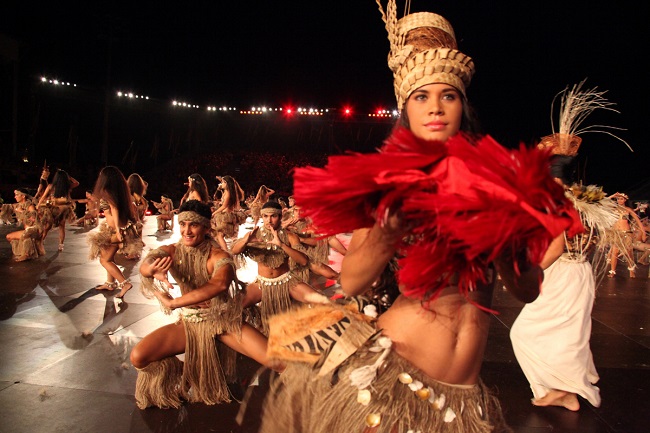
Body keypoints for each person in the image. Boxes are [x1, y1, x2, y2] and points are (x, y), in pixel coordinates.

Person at [253, 3, 581, 432]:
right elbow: (352, 279)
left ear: (462, 105)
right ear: (406, 109)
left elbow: (529, 290)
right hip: (397, 380)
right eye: (421, 97)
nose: (436, 108)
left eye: (448, 96)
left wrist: (501, 246)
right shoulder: (387, 182)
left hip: (460, 397)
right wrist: (390, 228)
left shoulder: (494, 183)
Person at [511, 82, 629, 412]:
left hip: (562, 275)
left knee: (524, 332)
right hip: (579, 274)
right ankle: (565, 392)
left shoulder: (556, 201)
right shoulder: (579, 199)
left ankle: (562, 388)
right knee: (566, 335)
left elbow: (556, 245)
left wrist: (530, 271)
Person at [130, 200, 279, 409]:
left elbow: (219, 284)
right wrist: (151, 270)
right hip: (190, 322)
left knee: (278, 362)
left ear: (206, 228)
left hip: (222, 321)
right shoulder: (171, 250)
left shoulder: (219, 256)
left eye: (193, 225)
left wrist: (174, 302)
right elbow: (147, 264)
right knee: (139, 357)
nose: (187, 231)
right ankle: (190, 373)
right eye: (183, 224)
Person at [230, 201, 330, 334]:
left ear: (280, 216)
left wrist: (282, 245)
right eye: (265, 216)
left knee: (323, 302)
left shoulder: (290, 236)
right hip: (262, 284)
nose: (269, 220)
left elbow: (303, 261)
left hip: (287, 281)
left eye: (273, 216)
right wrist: (246, 241)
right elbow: (234, 251)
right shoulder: (255, 234)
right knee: (232, 309)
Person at [87, 166, 142, 298]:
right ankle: (110, 283)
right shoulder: (120, 191)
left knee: (104, 260)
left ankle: (124, 283)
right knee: (109, 257)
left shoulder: (107, 191)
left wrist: (117, 230)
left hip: (116, 230)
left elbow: (114, 208)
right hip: (122, 228)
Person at [37, 168, 79, 252]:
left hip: (54, 209)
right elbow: (77, 183)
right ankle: (61, 245)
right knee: (61, 227)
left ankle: (41, 240)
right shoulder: (67, 186)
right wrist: (70, 177)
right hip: (63, 209)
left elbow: (43, 196)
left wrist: (38, 205)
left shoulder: (51, 186)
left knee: (47, 227)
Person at [607, 192, 645, 278]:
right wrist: (612, 196)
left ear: (625, 200)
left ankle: (631, 270)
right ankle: (612, 271)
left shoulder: (628, 209)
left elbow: (638, 221)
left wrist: (643, 233)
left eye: (621, 199)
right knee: (615, 252)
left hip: (626, 233)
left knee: (628, 252)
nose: (619, 200)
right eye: (618, 199)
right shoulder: (613, 208)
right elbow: (603, 203)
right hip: (617, 233)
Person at [5, 188, 42, 262]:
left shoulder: (30, 206)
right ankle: (23, 251)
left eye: (17, 195)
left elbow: (33, 219)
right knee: (9, 237)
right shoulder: (17, 205)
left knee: (26, 235)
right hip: (27, 229)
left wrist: (22, 211)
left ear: (23, 196)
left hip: (34, 229)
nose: (15, 197)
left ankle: (27, 254)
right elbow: (6, 207)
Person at [211, 175, 247, 251]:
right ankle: (226, 251)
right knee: (221, 235)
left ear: (227, 183)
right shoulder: (227, 192)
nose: (221, 184)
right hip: (225, 215)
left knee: (220, 235)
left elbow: (224, 206)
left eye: (223, 182)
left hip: (226, 217)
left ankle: (226, 252)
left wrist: (214, 213)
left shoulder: (229, 193)